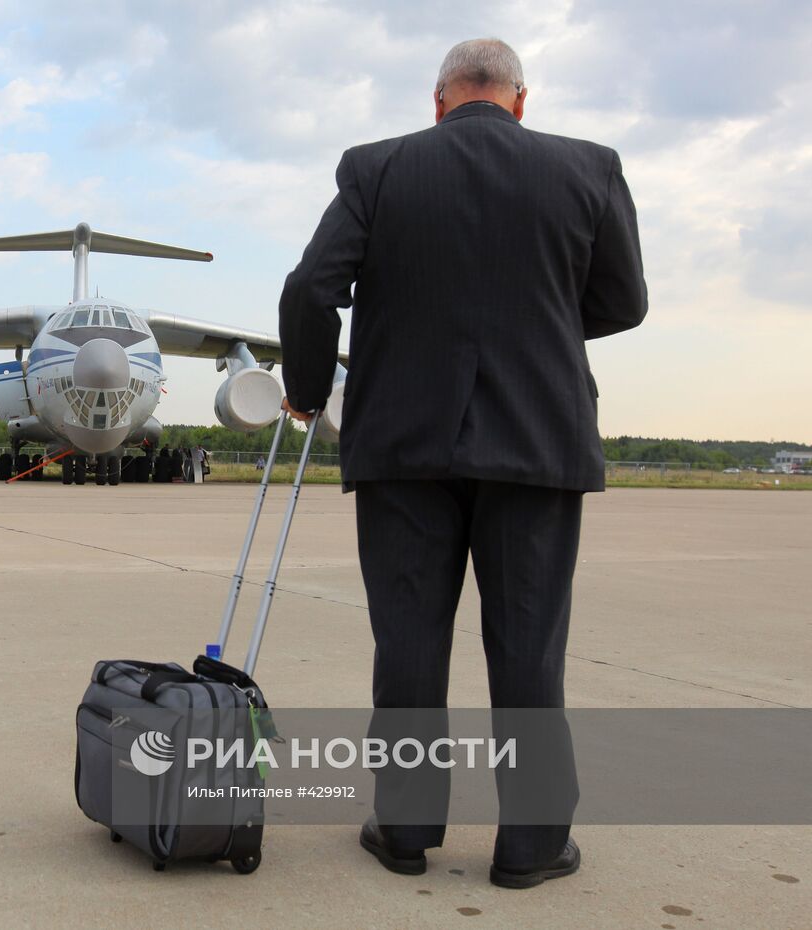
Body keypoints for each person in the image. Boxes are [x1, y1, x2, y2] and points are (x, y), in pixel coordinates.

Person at [278, 38, 646, 889]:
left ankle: (405, 830)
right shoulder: (589, 168)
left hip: (405, 445)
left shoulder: (375, 168)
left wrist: (306, 390)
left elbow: (309, 289)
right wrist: (538, 323)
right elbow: (625, 301)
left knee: (408, 642)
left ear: (438, 100)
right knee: (529, 650)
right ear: (521, 98)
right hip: (537, 439)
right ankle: (532, 845)